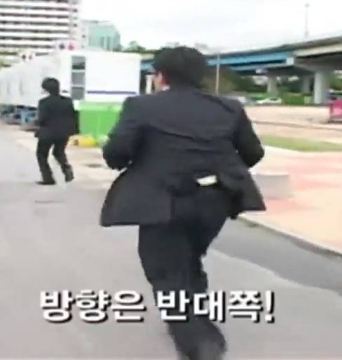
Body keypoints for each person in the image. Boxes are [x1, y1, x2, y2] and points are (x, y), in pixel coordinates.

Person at [100, 46, 266, 360]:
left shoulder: (141, 106)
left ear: (161, 76)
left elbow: (116, 154)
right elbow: (253, 153)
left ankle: (200, 341)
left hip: (163, 201)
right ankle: (195, 317)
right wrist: (219, 166)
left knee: (164, 269)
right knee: (188, 258)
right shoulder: (229, 107)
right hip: (216, 199)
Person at [35, 77, 77, 185]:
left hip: (47, 132)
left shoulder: (44, 102)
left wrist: (36, 124)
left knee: (41, 154)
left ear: (46, 89)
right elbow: (73, 116)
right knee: (59, 152)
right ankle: (66, 169)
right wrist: (74, 130)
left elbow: (42, 118)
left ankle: (48, 178)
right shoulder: (67, 101)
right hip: (64, 132)